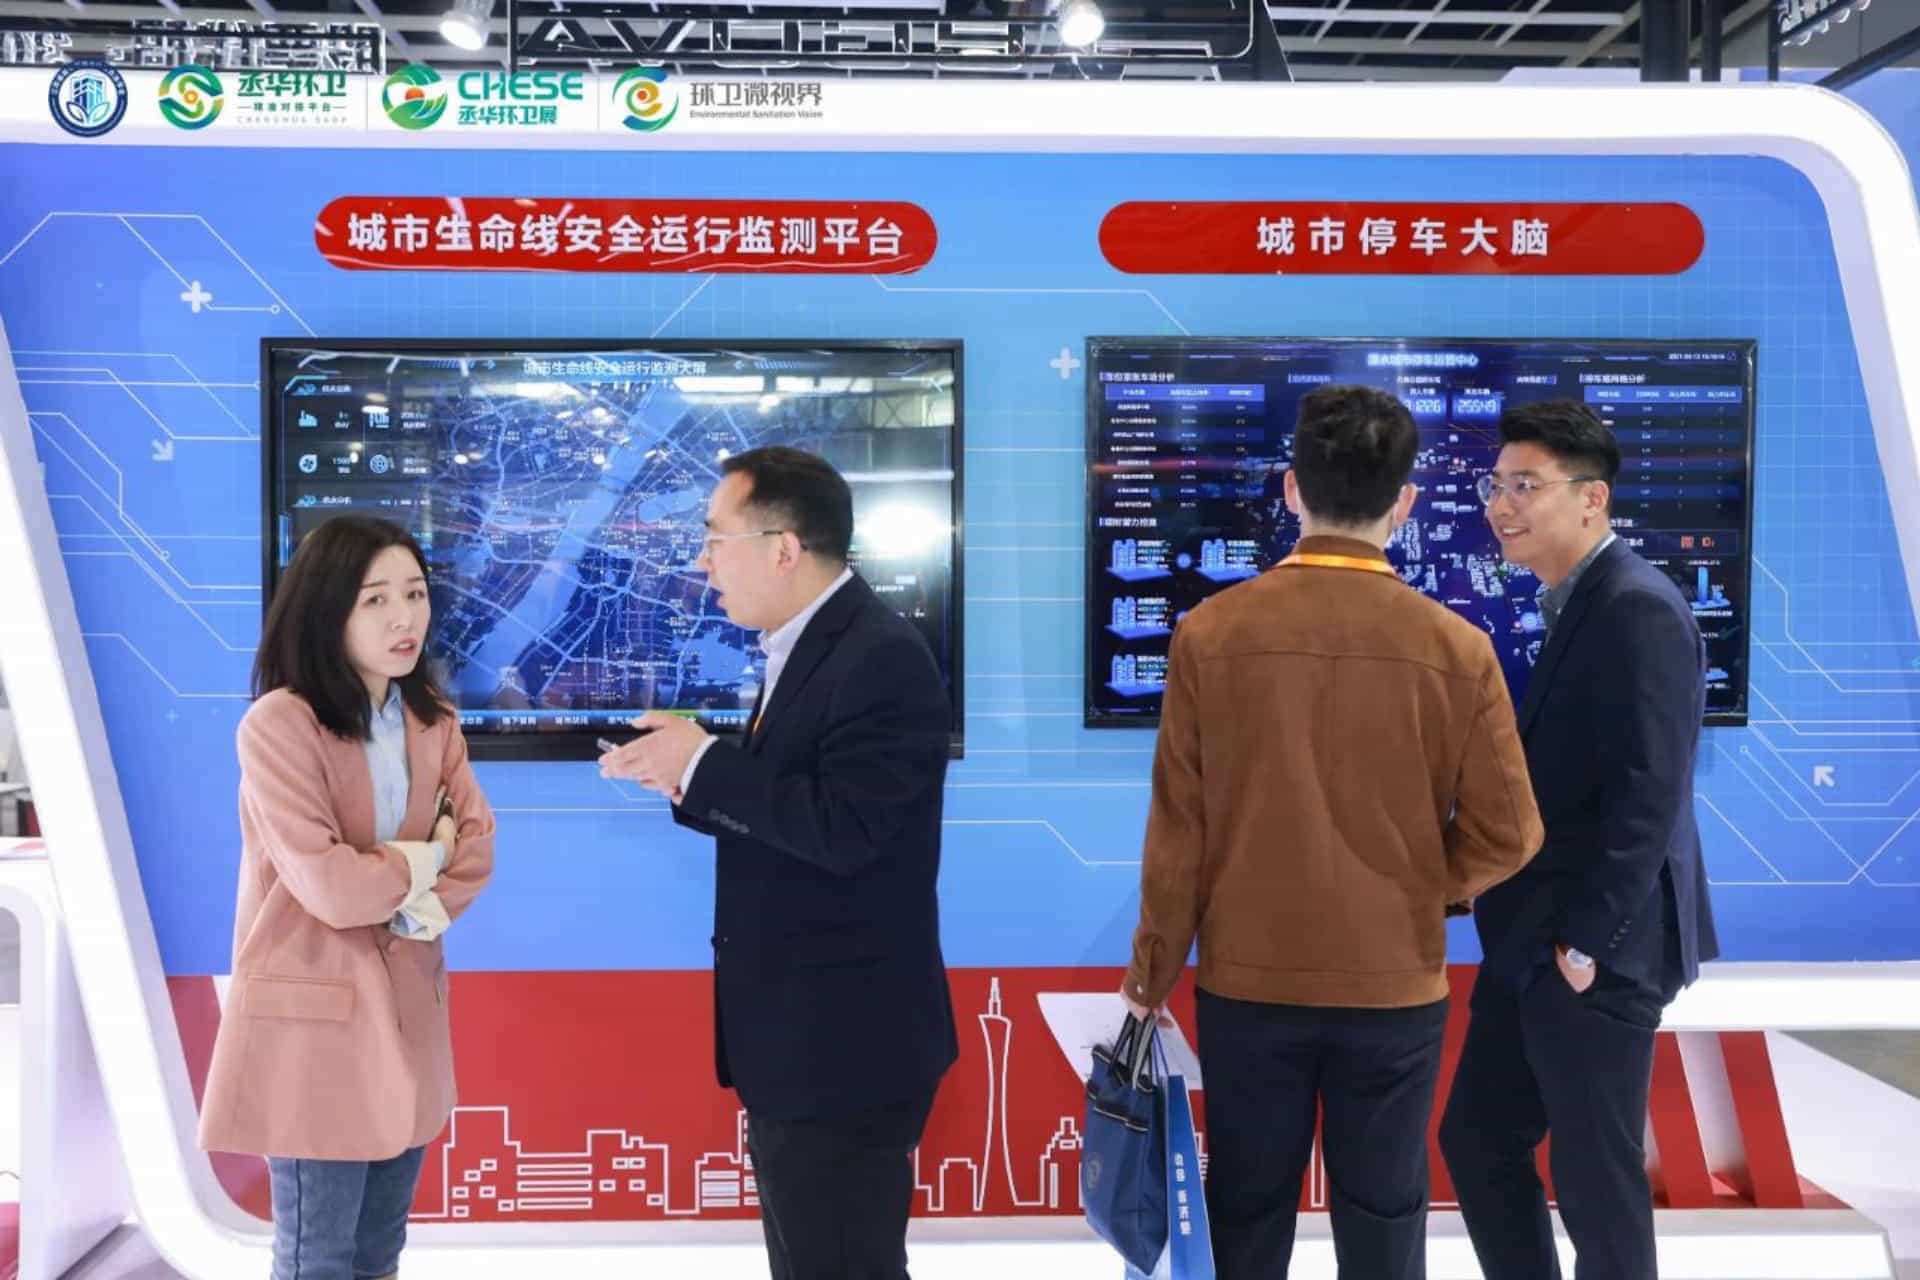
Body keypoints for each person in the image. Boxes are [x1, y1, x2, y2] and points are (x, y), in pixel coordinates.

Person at [1121, 385, 1544, 1280]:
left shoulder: (1209, 634)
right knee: (1385, 1218)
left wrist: (1151, 973)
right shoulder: (1458, 648)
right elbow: (1512, 832)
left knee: (1245, 1213)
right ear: (1405, 502)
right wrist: (1426, 889)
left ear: (1291, 489)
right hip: (1394, 982)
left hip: (1248, 981)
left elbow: (1179, 834)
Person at [599, 445, 956, 1280]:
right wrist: (685, 775)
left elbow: (846, 830)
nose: (702, 562)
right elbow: (791, 806)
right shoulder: (811, 643)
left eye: (715, 538)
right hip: (805, 1044)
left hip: (845, 1048)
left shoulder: (878, 655)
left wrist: (702, 764)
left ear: (784, 548)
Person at [1440, 399, 1719, 1280]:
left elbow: (1649, 791)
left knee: (1597, 1183)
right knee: (1480, 1138)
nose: (1501, 505)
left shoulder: (1636, 607)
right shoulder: (1580, 603)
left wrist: (1585, 944)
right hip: (1538, 939)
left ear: (1592, 497)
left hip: (1594, 948)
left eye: (1526, 486)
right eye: (1496, 485)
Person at [200, 515, 495, 1280]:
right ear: (328, 609)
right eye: (375, 599)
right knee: (317, 1261)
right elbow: (329, 887)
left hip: (409, 1016)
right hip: (317, 1028)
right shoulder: (280, 725)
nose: (405, 618)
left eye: (415, 594)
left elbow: (476, 850)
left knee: (376, 1255)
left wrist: (405, 884)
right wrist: (427, 856)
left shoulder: (434, 720)